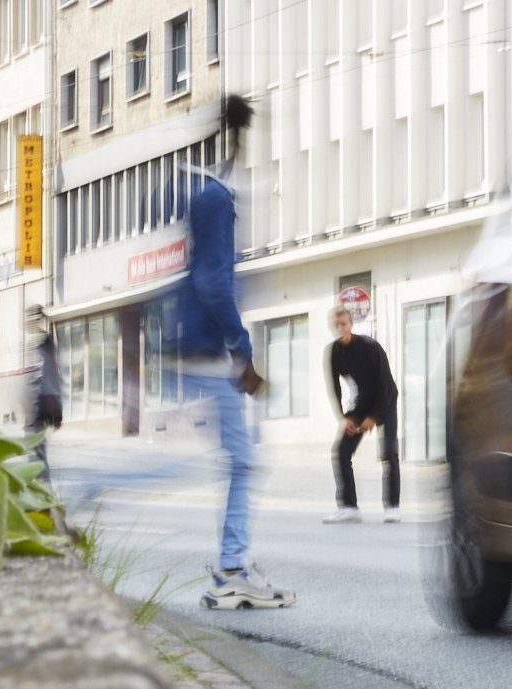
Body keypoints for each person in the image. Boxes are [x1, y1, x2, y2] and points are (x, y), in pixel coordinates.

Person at [170, 94, 295, 610]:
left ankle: (232, 564)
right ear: (236, 138)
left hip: (196, 348)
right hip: (209, 354)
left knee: (236, 461)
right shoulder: (217, 198)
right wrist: (242, 353)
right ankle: (231, 569)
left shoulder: (206, 193)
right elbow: (214, 282)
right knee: (240, 464)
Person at [322, 305, 402, 524]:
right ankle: (349, 507)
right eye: (336, 325)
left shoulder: (370, 347)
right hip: (362, 402)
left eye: (344, 324)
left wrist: (374, 418)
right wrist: (344, 417)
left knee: (389, 452)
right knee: (341, 451)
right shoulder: (333, 351)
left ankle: (393, 507)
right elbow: (335, 388)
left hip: (386, 400)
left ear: (351, 325)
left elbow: (386, 385)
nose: (340, 328)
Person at [26, 304, 63, 481]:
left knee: (36, 452)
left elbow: (48, 376)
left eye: (30, 319)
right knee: (36, 451)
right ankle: (41, 491)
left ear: (35, 320)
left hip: (40, 405)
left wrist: (56, 410)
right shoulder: (39, 341)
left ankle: (41, 495)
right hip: (38, 405)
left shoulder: (41, 342)